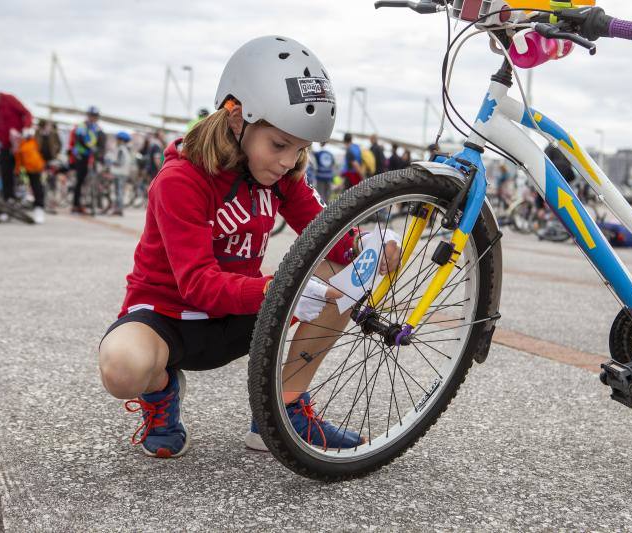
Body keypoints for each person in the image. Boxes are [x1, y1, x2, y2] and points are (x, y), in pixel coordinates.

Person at [97, 36, 400, 459]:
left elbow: (328, 235)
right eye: (279, 144)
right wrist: (282, 288)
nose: (288, 161)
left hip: (240, 314)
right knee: (121, 367)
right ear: (236, 117)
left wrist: (368, 244)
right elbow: (198, 285)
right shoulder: (180, 180)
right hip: (169, 317)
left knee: (349, 278)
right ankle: (161, 393)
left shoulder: (283, 175)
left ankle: (280, 412)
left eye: (300, 149)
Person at [69, 106, 103, 213]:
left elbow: (100, 140)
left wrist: (99, 151)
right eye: (91, 116)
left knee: (92, 179)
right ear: (88, 115)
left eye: (95, 116)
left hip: (92, 155)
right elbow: (80, 139)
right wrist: (89, 147)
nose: (93, 118)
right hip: (81, 155)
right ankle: (75, 205)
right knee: (80, 180)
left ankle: (91, 202)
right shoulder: (82, 126)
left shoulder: (97, 128)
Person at [14, 127, 47, 223]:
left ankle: (38, 208)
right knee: (34, 187)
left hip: (34, 168)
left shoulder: (32, 143)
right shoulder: (28, 143)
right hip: (30, 168)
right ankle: (36, 206)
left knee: (36, 187)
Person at [109, 131, 133, 216]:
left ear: (122, 140)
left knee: (118, 191)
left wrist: (111, 162)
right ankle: (119, 209)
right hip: (124, 173)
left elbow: (119, 162)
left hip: (119, 173)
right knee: (121, 191)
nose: (117, 141)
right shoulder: (127, 149)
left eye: (118, 139)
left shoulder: (121, 149)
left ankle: (118, 209)